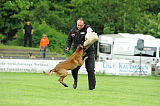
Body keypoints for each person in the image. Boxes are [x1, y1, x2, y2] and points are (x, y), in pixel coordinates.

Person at [65, 18, 96, 90]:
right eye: (78, 25)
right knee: (74, 69)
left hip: (88, 52)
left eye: (81, 25)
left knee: (90, 69)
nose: (79, 27)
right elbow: (69, 40)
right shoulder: (73, 30)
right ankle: (75, 80)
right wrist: (67, 46)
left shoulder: (88, 29)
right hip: (77, 53)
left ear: (84, 24)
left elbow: (92, 32)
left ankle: (91, 88)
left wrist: (90, 30)